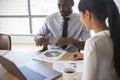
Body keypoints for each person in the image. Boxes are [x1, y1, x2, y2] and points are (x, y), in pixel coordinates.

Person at [73, 0, 120, 80]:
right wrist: (86, 56)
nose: (80, 19)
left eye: (80, 15)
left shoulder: (93, 43)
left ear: (87, 14)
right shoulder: (115, 35)